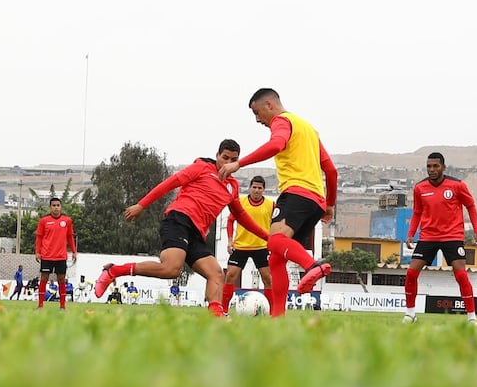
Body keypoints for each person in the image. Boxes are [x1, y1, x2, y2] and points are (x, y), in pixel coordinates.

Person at [96, 139, 270, 317]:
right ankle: (114, 271)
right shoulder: (201, 167)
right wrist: (142, 205)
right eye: (225, 157)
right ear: (217, 156)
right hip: (178, 220)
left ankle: (216, 316)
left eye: (233, 160)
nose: (228, 163)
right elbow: (171, 182)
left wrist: (268, 238)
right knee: (171, 269)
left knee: (216, 273)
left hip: (196, 233)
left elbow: (241, 216)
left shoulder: (232, 187)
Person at [217, 88, 338, 318]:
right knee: (276, 258)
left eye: (257, 112)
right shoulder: (309, 129)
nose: (257, 119)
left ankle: (312, 266)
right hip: (316, 201)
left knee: (275, 242)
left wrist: (238, 164)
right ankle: (278, 317)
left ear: (269, 105)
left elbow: (275, 145)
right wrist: (330, 203)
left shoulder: (282, 122)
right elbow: (331, 170)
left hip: (296, 193)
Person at [401, 152, 477, 325]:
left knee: (461, 275)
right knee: (411, 273)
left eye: (435, 166)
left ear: (443, 167)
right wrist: (410, 233)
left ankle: (472, 318)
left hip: (452, 236)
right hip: (428, 237)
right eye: (429, 166)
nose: (432, 169)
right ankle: (410, 315)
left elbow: (471, 206)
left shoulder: (457, 185)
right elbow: (417, 212)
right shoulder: (419, 188)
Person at [223, 175, 274, 315]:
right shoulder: (240, 202)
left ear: (264, 189)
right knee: (230, 276)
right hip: (240, 246)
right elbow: (230, 221)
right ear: (250, 188)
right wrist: (229, 241)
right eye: (254, 187)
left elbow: (276, 223)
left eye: (260, 188)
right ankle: (224, 311)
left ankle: (273, 313)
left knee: (268, 279)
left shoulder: (271, 205)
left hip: (262, 247)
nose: (256, 190)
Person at [34, 197, 78, 310]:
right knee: (44, 279)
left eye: (58, 205)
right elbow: (39, 237)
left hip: (61, 256)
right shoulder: (43, 221)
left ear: (61, 206)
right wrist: (37, 252)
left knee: (61, 280)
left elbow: (70, 237)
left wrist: (74, 251)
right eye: (54, 205)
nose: (56, 208)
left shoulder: (67, 221)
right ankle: (40, 305)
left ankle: (63, 306)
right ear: (50, 207)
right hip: (47, 255)